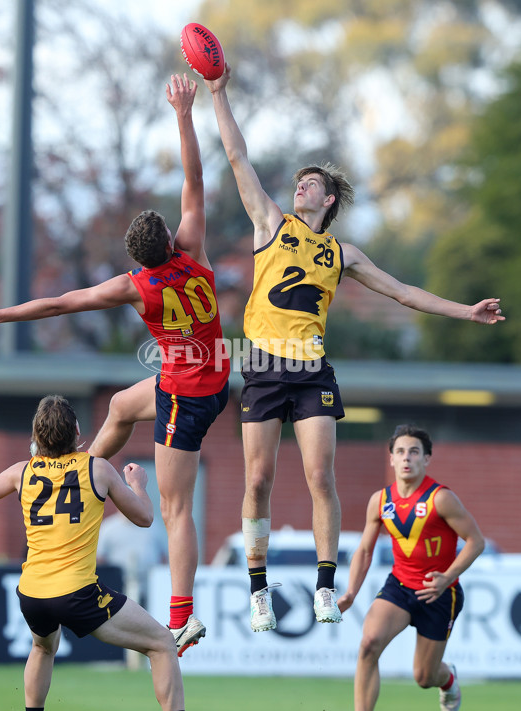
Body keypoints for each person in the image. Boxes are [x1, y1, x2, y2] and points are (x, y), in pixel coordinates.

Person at [203, 64, 504, 633]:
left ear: (330, 197)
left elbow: (404, 292)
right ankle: (258, 589)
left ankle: (324, 585)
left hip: (312, 369)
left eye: (311, 182)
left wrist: (466, 310)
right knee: (259, 480)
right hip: (264, 366)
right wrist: (219, 94)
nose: (300, 186)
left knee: (321, 476)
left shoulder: (342, 254)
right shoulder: (270, 222)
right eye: (298, 180)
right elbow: (238, 157)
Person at [0, 74, 230, 656]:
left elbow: (59, 304)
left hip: (185, 395)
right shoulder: (196, 249)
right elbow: (195, 180)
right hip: (211, 375)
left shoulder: (136, 288)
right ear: (172, 241)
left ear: (138, 258)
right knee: (123, 407)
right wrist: (184, 112)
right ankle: (80, 473)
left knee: (175, 509)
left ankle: (182, 616)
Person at [0, 395, 185, 711]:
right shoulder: (98, 469)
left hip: (33, 594)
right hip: (77, 593)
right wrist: (138, 484)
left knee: (42, 648)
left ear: (36, 437)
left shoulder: (22, 472)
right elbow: (145, 518)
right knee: (162, 643)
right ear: (78, 432)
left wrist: (19, 472)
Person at [336, 424, 485, 711]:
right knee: (369, 644)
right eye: (400, 452)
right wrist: (351, 592)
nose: (406, 458)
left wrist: (448, 577)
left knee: (424, 676)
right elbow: (365, 550)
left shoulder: (441, 498)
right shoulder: (380, 500)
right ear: (390, 458)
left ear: (426, 459)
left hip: (438, 594)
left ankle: (448, 679)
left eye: (414, 452)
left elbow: (475, 542)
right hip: (400, 587)